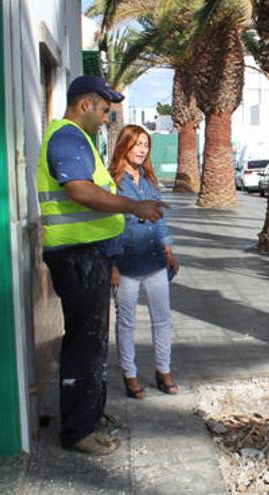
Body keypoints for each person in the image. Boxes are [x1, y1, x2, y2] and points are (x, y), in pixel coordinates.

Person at [38, 75, 167, 456]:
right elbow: (79, 190)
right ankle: (79, 431)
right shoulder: (67, 137)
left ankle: (90, 416)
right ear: (85, 104)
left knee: (92, 343)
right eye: (105, 110)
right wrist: (133, 206)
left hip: (88, 256)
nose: (108, 118)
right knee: (85, 345)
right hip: (78, 257)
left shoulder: (77, 140)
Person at [108, 125, 180, 400]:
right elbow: (107, 225)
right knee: (126, 322)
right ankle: (130, 374)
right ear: (124, 145)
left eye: (146, 145)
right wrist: (111, 264)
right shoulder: (111, 182)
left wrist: (169, 250)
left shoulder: (150, 181)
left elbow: (160, 219)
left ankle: (163, 371)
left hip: (155, 262)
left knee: (162, 319)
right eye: (137, 143)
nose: (141, 149)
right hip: (125, 264)